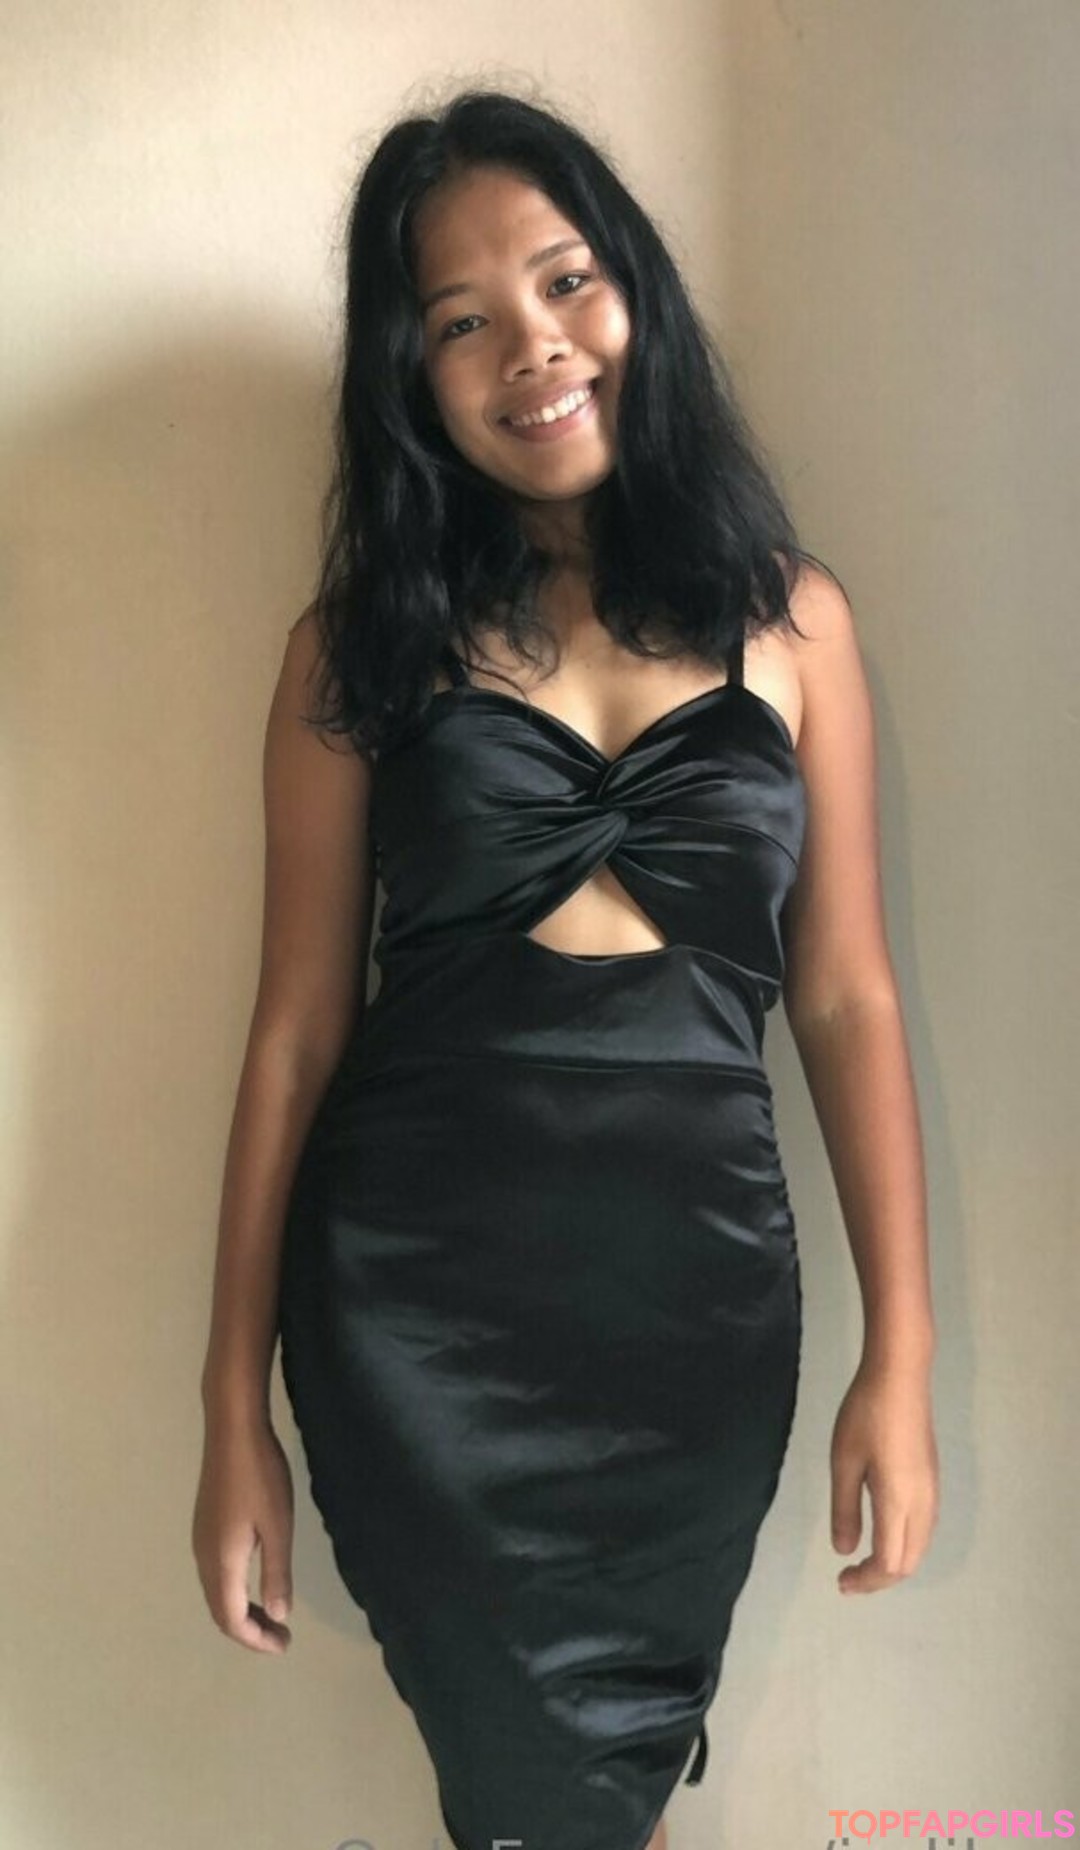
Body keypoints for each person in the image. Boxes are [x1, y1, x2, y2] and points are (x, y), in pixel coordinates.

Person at [192, 86, 939, 1850]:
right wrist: (229, 1403)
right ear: (411, 375)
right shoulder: (355, 647)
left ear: (635, 290)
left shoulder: (797, 620)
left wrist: (899, 1354)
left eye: (564, 280)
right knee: (521, 1796)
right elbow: (296, 1031)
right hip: (417, 1307)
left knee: (610, 1783)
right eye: (460, 322)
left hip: (695, 1300)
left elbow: (846, 998)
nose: (530, 346)